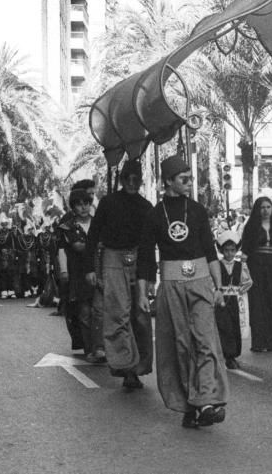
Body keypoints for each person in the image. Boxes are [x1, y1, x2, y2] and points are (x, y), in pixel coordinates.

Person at [148, 155, 228, 428]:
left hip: (201, 281)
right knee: (182, 346)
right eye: (183, 179)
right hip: (171, 285)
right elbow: (147, 256)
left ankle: (207, 399)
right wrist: (143, 290)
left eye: (190, 178)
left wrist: (219, 287)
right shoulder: (156, 213)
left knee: (205, 341)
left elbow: (210, 250)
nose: (189, 183)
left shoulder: (197, 210)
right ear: (168, 181)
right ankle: (189, 405)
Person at [87, 158, 155, 390]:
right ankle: (126, 367)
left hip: (138, 261)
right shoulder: (108, 203)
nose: (132, 183)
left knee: (140, 316)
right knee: (118, 315)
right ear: (121, 179)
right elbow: (93, 236)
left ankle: (138, 367)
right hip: (113, 259)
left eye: (136, 180)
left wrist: (151, 277)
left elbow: (149, 246)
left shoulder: (147, 208)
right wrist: (91, 269)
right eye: (128, 179)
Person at [58, 189, 104, 363]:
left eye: (86, 203)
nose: (84, 207)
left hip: (99, 270)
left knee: (99, 310)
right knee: (84, 312)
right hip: (77, 273)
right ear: (73, 207)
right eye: (79, 204)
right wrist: (63, 271)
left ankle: (101, 347)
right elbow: (62, 249)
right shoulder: (67, 227)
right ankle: (90, 347)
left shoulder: (99, 224)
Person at [240, 196, 272, 352]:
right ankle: (259, 342)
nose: (265, 210)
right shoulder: (251, 227)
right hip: (256, 267)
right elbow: (245, 249)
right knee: (258, 303)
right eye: (262, 207)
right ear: (257, 209)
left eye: (268, 207)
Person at [215, 231, 252, 369]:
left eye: (232, 250)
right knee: (224, 327)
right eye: (226, 250)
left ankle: (233, 355)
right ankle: (226, 355)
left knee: (235, 326)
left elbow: (248, 281)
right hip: (222, 301)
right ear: (221, 250)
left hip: (236, 301)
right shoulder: (217, 265)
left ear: (236, 250)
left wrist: (241, 289)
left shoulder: (241, 265)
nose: (229, 254)